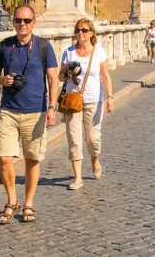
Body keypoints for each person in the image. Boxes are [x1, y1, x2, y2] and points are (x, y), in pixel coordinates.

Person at [0, 5, 59, 223]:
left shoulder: (44, 47)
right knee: (4, 158)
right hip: (8, 111)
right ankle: (12, 201)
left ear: (34, 23)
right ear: (13, 22)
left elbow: (53, 80)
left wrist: (52, 107)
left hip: (35, 112)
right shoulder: (4, 46)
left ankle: (28, 203)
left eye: (27, 20)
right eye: (18, 20)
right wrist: (2, 80)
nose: (22, 24)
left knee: (32, 159)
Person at [59, 18, 114, 191]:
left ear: (91, 32)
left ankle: (94, 157)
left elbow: (105, 76)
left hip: (94, 99)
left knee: (92, 139)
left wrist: (110, 97)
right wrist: (67, 72)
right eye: (77, 30)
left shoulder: (99, 52)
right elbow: (60, 76)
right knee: (74, 138)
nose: (80, 33)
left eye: (83, 30)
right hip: (72, 100)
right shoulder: (68, 52)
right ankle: (77, 177)